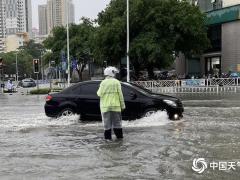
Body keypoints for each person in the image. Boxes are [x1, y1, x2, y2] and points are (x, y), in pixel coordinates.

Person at [97, 66, 125, 140]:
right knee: (117, 125)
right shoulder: (116, 82)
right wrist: (123, 106)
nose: (115, 74)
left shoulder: (103, 83)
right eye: (114, 73)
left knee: (107, 126)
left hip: (105, 108)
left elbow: (99, 94)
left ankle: (108, 142)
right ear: (112, 73)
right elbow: (121, 95)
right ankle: (119, 141)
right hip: (116, 107)